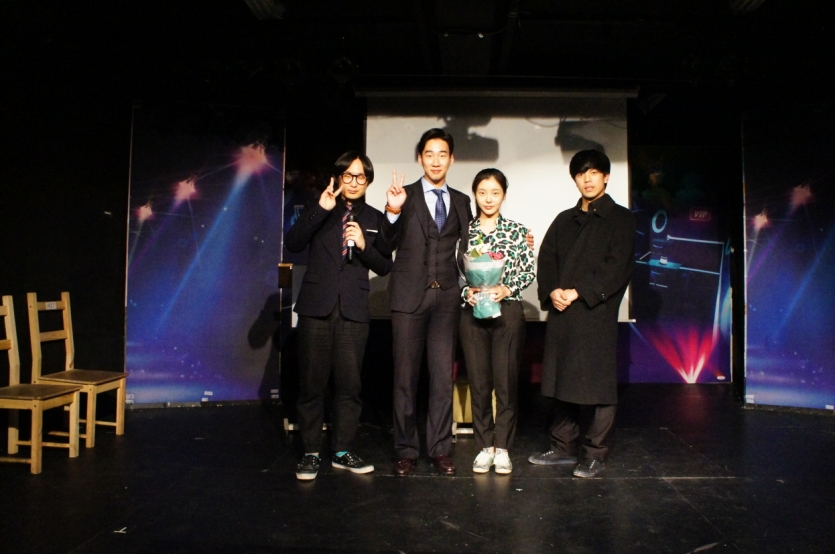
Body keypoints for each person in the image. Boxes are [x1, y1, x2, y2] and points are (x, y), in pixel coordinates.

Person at [285, 151, 393, 481]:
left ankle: (343, 451)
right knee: (311, 384)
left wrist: (363, 245)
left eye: (360, 177)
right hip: (316, 307)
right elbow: (293, 242)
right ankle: (311, 452)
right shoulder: (322, 207)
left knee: (349, 385)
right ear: (338, 178)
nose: (354, 182)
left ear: (368, 181)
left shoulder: (375, 218)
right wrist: (320, 209)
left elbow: (384, 265)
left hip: (354, 310)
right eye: (348, 175)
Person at [530, 149, 635, 478]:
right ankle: (562, 447)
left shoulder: (620, 218)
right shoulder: (564, 219)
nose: (587, 179)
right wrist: (552, 291)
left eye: (593, 172)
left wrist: (580, 292)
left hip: (596, 312)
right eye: (580, 174)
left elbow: (618, 267)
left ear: (606, 176)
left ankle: (594, 453)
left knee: (599, 384)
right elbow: (547, 259)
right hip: (563, 312)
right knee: (562, 379)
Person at [379, 128, 473, 476]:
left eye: (442, 154)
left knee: (442, 378)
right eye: (429, 154)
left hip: (446, 298)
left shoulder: (461, 200)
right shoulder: (403, 195)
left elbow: (473, 247)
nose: (436, 161)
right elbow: (384, 245)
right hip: (408, 297)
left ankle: (439, 448)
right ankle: (406, 449)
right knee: (405, 378)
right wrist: (392, 210)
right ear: (420, 158)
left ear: (451, 159)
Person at [460, 168, 535, 475]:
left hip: (507, 312)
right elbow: (452, 272)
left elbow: (528, 270)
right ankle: (484, 447)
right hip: (472, 313)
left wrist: (508, 288)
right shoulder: (464, 232)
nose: (488, 199)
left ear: (504, 195)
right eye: (482, 193)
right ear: (474, 195)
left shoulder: (518, 231)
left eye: (495, 193)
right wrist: (467, 292)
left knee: (505, 382)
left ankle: (502, 447)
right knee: (479, 383)